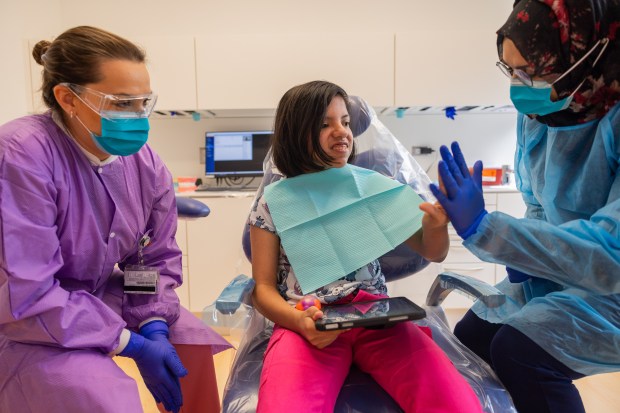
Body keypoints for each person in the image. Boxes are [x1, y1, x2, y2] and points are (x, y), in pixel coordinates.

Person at [0, 26, 230, 413]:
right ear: (68, 98)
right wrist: (130, 343)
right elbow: (29, 288)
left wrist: (153, 323)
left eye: (143, 103)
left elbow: (152, 259)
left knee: (189, 347)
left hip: (96, 292)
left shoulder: (143, 162)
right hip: (25, 315)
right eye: (121, 104)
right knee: (101, 394)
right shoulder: (21, 155)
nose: (138, 117)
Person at [429, 1, 620, 413]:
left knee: (520, 351)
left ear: (588, 57)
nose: (519, 86)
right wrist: (529, 255)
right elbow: (538, 205)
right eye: (509, 70)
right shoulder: (541, 109)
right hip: (570, 272)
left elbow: (611, 254)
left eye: (531, 72)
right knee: (472, 336)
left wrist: (488, 229)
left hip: (614, 282)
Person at [249, 80, 483, 413]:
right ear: (296, 132)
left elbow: (434, 252)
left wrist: (436, 226)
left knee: (457, 406)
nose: (341, 131)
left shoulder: (371, 189)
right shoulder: (274, 202)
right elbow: (262, 289)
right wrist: (299, 321)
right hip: (309, 323)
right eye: (324, 124)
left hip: (376, 319)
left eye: (345, 122)